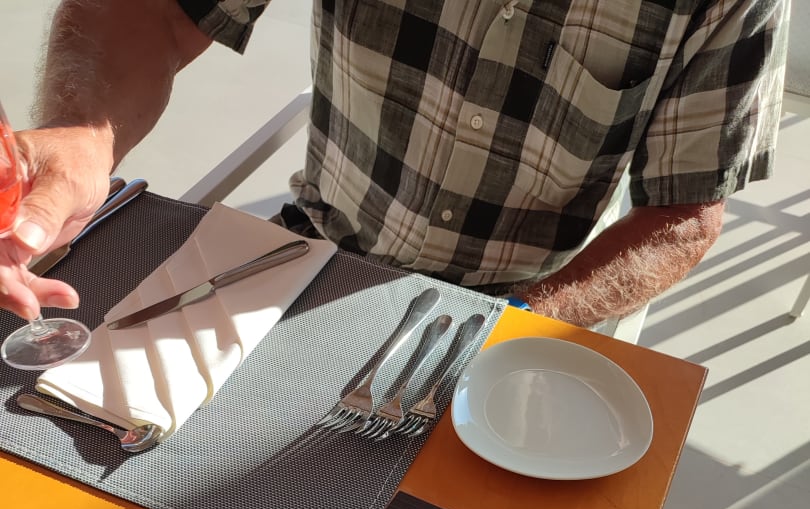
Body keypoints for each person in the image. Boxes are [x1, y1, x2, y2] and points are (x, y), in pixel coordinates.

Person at [0, 0, 788, 332]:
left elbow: (684, 211)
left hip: (516, 305)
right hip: (306, 253)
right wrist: (81, 131)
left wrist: (516, 328)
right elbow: (155, 14)